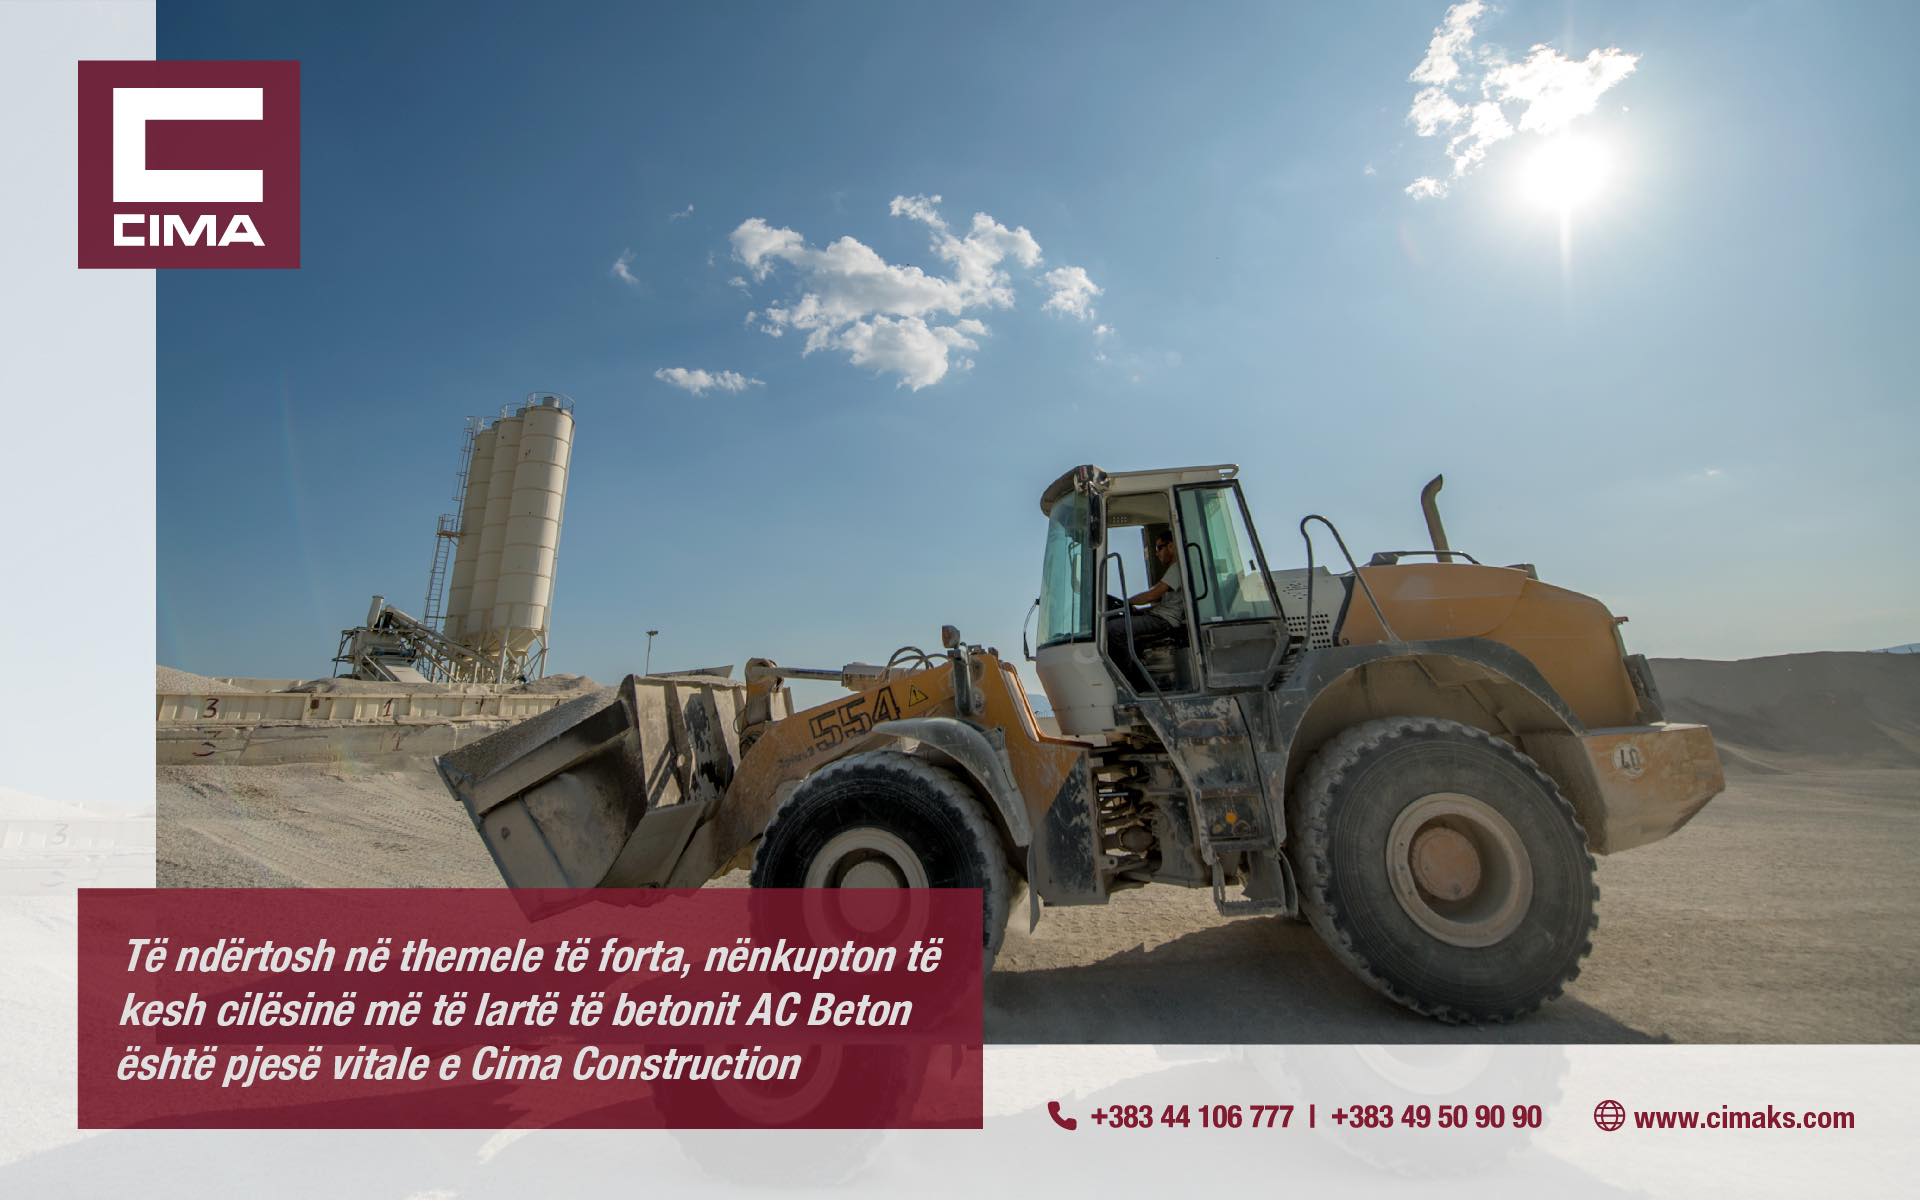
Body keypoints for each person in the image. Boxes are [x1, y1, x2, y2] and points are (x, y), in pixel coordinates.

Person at [1105, 529, 1185, 688]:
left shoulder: (1178, 567)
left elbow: (1152, 595)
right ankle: (1139, 679)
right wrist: (1136, 610)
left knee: (1113, 629)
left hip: (1164, 621)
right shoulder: (1172, 570)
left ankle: (1128, 682)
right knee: (1119, 621)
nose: (1156, 553)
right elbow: (1158, 601)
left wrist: (1126, 602)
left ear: (1171, 546)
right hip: (1158, 616)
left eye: (1159, 548)